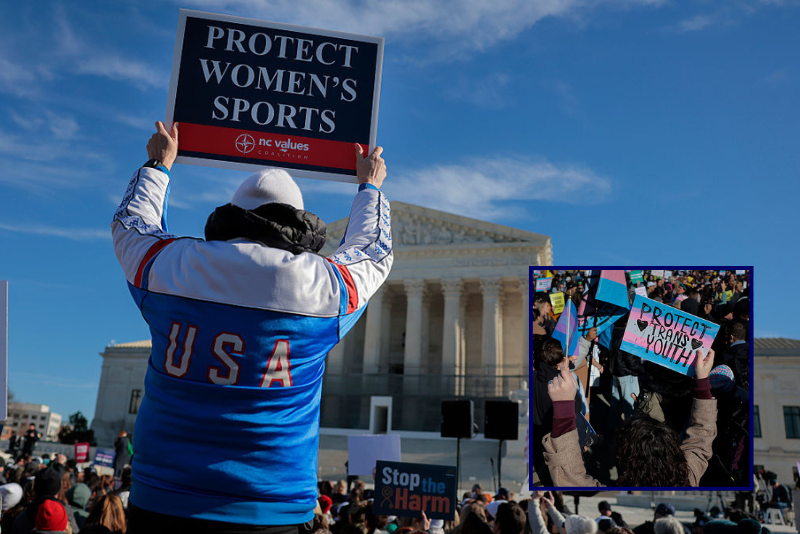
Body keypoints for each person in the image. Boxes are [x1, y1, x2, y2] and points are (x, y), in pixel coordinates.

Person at [112, 122, 392, 531]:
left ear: (233, 214)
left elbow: (130, 227)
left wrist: (159, 165)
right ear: (299, 222)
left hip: (162, 496)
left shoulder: (174, 266)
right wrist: (370, 187)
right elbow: (373, 251)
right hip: (270, 505)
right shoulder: (322, 287)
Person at [542, 348, 717, 487]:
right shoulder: (689, 478)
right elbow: (701, 438)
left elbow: (571, 478)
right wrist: (702, 381)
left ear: (623, 456)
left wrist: (565, 408)